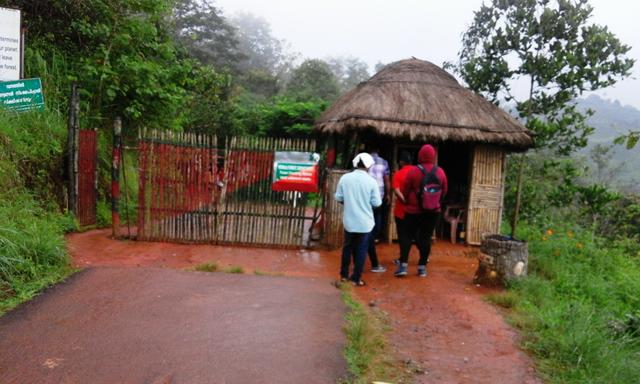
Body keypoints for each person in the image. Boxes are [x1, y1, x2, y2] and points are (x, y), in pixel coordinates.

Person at [397, 144, 448, 277]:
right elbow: (445, 191)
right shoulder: (440, 172)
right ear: (433, 156)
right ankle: (422, 268)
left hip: (413, 211)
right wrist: (435, 203)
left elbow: (405, 190)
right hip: (432, 212)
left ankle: (403, 266)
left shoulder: (414, 171)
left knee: (407, 236)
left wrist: (408, 200)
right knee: (426, 238)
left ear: (420, 155)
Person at [335, 153, 382, 286]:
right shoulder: (371, 181)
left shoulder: (345, 178)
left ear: (356, 164)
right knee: (361, 249)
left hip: (349, 221)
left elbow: (338, 197)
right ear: (368, 166)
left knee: (347, 247)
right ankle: (356, 278)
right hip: (365, 223)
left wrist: (349, 203)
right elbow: (377, 203)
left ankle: (344, 275)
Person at [366, 147, 390, 273]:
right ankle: (374, 236)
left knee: (367, 220)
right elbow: (386, 180)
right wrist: (388, 194)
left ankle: (369, 236)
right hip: (378, 196)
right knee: (377, 217)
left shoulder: (365, 162)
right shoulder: (384, 162)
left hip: (366, 197)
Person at [390, 151, 413, 269]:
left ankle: (403, 259)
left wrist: (404, 200)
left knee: (403, 236)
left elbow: (396, 190)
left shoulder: (398, 174)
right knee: (416, 234)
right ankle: (424, 257)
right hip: (416, 210)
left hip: (401, 211)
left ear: (401, 162)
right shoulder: (417, 172)